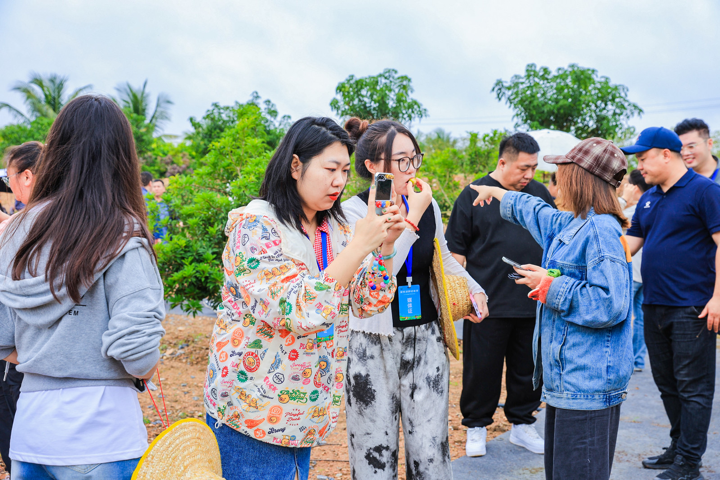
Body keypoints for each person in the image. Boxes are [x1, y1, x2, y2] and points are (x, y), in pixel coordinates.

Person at [203, 116, 402, 480]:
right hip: (252, 415)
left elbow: (368, 301)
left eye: (344, 170)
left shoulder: (335, 228)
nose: (339, 182)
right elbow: (300, 311)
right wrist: (359, 245)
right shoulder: (256, 227)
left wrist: (384, 245)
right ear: (295, 165)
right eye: (330, 169)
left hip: (304, 413)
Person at [0, 95, 165, 480]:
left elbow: (2, 336)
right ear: (123, 157)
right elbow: (138, 354)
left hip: (31, 432)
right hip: (105, 435)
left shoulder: (19, 231)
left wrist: (50, 354)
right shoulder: (123, 233)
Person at [471, 138, 633, 480]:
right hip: (568, 381)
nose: (555, 181)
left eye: (561, 173)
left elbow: (611, 303)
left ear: (580, 179)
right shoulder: (576, 223)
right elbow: (540, 215)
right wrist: (499, 193)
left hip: (587, 385)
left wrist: (550, 285)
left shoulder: (601, 230)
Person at [341, 118, 488, 479]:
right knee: (373, 450)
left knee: (431, 449)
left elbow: (444, 256)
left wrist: (474, 289)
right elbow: (375, 280)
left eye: (415, 158)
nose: (412, 169)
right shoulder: (353, 214)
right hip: (370, 343)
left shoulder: (427, 204)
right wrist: (414, 216)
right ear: (374, 167)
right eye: (402, 161)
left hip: (426, 338)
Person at [446, 132, 554, 457]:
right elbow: (457, 253)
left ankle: (522, 425)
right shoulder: (473, 194)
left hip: (532, 299)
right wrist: (462, 298)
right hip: (487, 302)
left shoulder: (539, 194)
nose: (529, 175)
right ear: (503, 161)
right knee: (482, 368)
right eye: (523, 168)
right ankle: (477, 426)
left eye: (534, 168)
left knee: (528, 368)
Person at [622, 127, 720, 480]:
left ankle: (689, 463)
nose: (640, 166)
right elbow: (630, 244)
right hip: (655, 303)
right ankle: (679, 447)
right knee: (668, 384)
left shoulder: (705, 191)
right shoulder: (650, 199)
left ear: (667, 154)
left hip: (692, 306)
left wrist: (718, 298)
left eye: (644, 158)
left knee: (693, 387)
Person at [0, 141, 42, 476]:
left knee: (10, 418)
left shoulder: (23, 227)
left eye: (11, 176)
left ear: (26, 177)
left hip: (20, 361)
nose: (9, 185)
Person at [621, 169, 650, 373]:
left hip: (631, 274)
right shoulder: (653, 206)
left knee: (622, 317)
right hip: (645, 274)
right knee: (640, 318)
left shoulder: (632, 213)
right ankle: (638, 360)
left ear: (635, 188)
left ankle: (624, 359)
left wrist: (623, 199)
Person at [674, 118, 719, 184]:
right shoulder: (676, 181)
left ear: (709, 144)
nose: (685, 153)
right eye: (681, 148)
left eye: (691, 146)